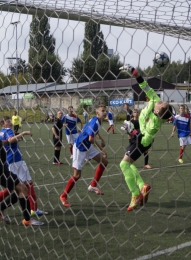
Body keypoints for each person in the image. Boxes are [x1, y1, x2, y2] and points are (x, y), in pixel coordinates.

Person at [119, 64, 173, 211]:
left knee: (124, 165)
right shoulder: (155, 100)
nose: (159, 101)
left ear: (157, 112)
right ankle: (143, 187)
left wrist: (132, 131)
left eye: (160, 105)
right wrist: (133, 72)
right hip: (138, 134)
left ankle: (135, 194)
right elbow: (145, 85)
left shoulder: (155, 124)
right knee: (128, 165)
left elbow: (146, 140)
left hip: (141, 142)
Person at [59, 105, 108, 207]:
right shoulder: (95, 121)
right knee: (77, 175)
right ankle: (63, 196)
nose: (105, 112)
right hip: (80, 147)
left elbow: (95, 132)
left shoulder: (97, 120)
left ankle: (92, 186)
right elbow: (90, 138)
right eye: (103, 111)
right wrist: (102, 150)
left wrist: (102, 139)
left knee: (104, 162)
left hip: (87, 146)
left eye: (105, 111)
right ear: (97, 113)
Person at [0, 116, 48, 217]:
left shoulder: (1, 133)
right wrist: (23, 133)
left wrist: (17, 138)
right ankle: (34, 209)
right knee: (27, 184)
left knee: (14, 188)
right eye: (8, 122)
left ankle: (33, 209)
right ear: (2, 124)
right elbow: (10, 140)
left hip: (10, 161)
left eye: (10, 122)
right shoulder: (8, 130)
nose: (11, 124)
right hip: (16, 161)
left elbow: (7, 142)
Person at [0, 138, 44, 226]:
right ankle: (27, 219)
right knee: (22, 189)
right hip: (1, 172)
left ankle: (1, 208)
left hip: (3, 169)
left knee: (20, 189)